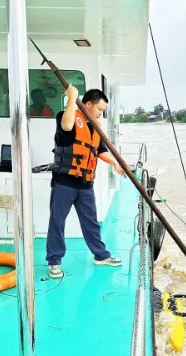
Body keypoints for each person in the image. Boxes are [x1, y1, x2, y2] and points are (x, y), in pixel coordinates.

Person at [46, 84, 125, 278]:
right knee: (57, 222)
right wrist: (72, 97)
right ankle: (54, 261)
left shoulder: (95, 128)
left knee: (91, 222)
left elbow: (101, 151)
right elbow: (66, 126)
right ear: (87, 104)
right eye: (99, 109)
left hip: (85, 185)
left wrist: (116, 163)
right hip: (64, 182)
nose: (100, 114)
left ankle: (101, 255)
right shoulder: (67, 117)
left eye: (103, 111)